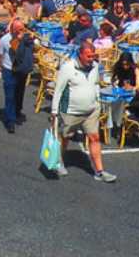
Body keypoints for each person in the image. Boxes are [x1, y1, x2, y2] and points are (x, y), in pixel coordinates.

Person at [51, 42, 116, 182]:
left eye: (93, 56)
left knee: (95, 138)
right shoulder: (67, 68)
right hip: (70, 111)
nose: (91, 59)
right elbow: (58, 90)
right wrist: (54, 111)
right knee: (64, 138)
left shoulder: (95, 67)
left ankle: (99, 171)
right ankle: (59, 162)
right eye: (88, 56)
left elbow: (96, 84)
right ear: (80, 54)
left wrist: (97, 101)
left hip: (91, 111)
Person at [0, 19, 34, 134]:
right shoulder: (5, 40)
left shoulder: (26, 38)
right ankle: (10, 121)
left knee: (19, 93)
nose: (21, 32)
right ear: (12, 30)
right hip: (9, 70)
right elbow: (0, 54)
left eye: (22, 29)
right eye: (18, 30)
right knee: (10, 96)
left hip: (21, 70)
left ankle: (17, 111)